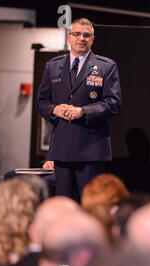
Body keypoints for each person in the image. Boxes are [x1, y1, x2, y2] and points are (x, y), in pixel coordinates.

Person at [36, 18, 122, 202]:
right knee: (64, 205)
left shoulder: (106, 67)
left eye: (86, 35)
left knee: (90, 204)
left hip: (91, 150)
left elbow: (114, 103)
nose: (81, 38)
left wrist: (84, 111)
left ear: (92, 39)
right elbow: (41, 102)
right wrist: (54, 109)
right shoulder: (53, 67)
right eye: (76, 34)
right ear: (69, 37)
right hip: (62, 150)